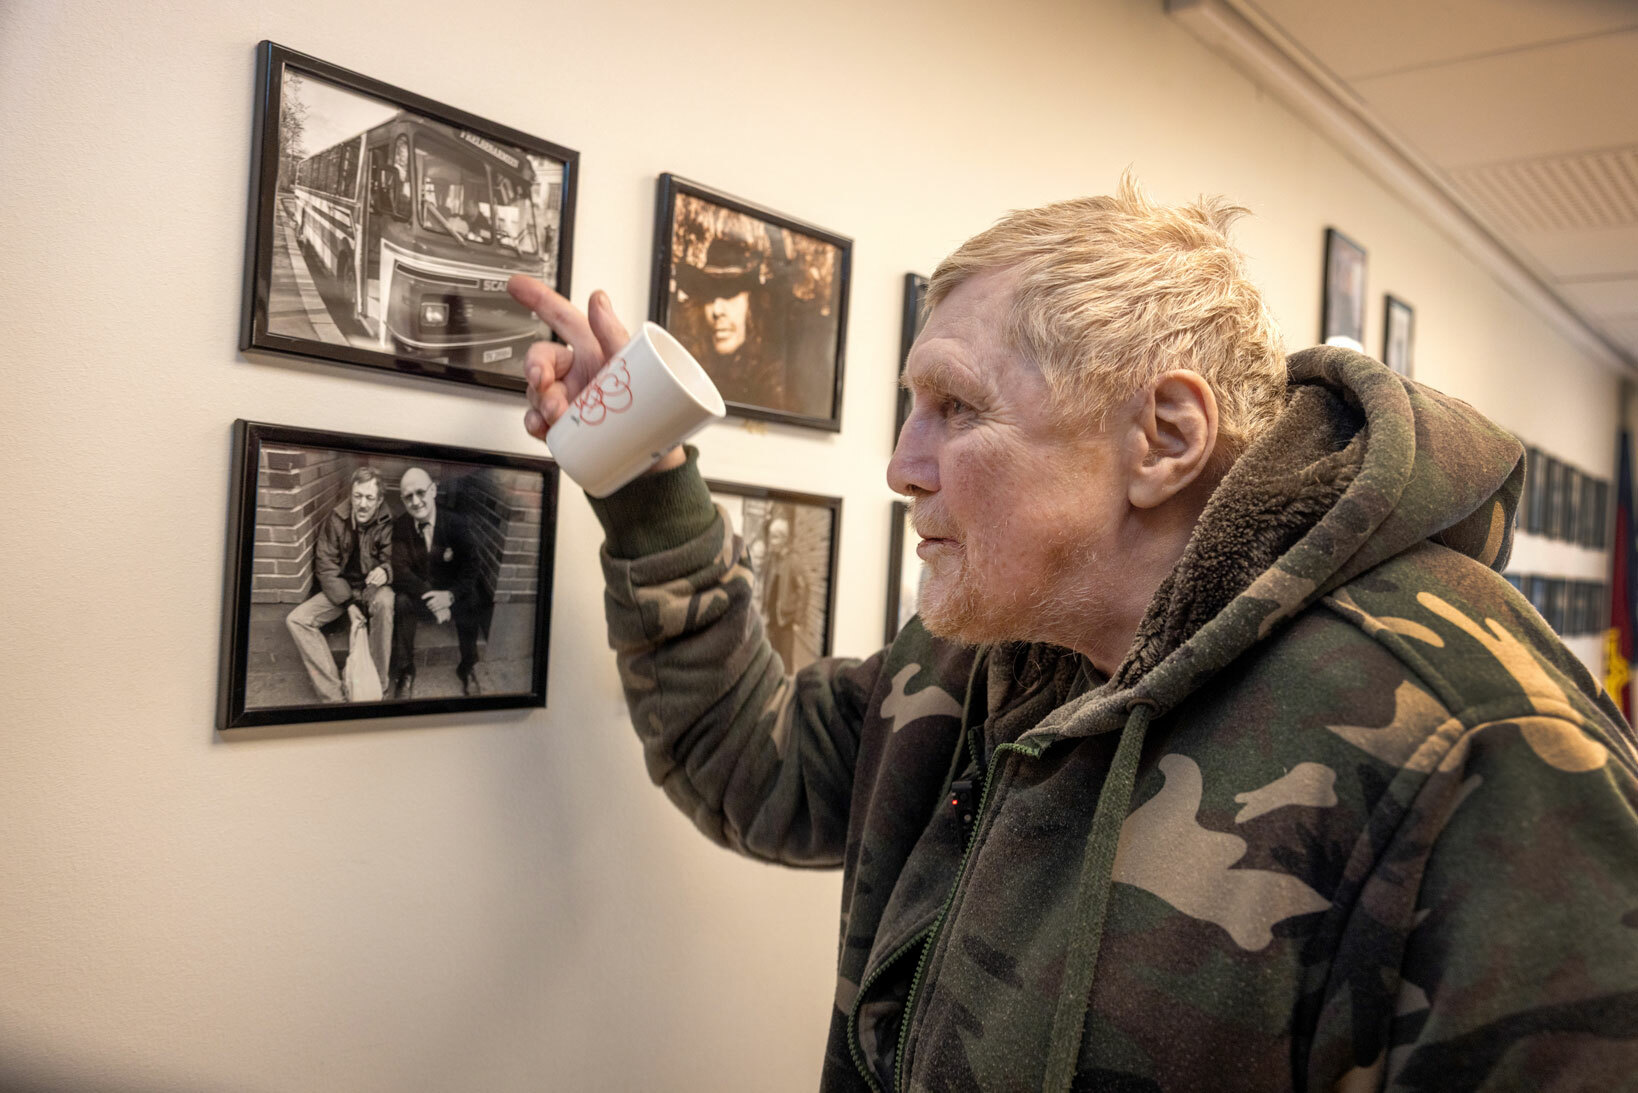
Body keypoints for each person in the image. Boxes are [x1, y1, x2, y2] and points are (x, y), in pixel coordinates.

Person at [507, 177, 1638, 1090]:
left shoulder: (1476, 740)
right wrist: (646, 482)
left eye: (956, 408)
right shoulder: (987, 647)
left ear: (1164, 436)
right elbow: (760, 769)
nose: (903, 466)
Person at [284, 467, 395, 702]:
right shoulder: (335, 519)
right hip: (341, 591)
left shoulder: (389, 522)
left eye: (369, 498)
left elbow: (397, 559)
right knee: (297, 620)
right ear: (351, 494)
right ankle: (334, 696)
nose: (362, 504)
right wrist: (349, 605)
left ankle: (377, 689)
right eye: (358, 496)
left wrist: (386, 570)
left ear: (380, 499)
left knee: (386, 601)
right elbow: (325, 566)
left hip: (372, 589)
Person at [388, 467, 487, 698]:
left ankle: (468, 666)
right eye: (408, 496)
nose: (415, 501)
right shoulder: (401, 526)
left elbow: (472, 565)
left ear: (433, 491)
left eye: (420, 492)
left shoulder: (455, 522)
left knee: (472, 598)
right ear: (402, 499)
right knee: (401, 601)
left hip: (450, 593)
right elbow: (400, 570)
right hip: (421, 596)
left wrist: (449, 597)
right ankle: (406, 670)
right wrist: (434, 599)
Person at [674, 236, 790, 412]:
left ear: (751, 304)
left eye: (729, 295)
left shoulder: (773, 376)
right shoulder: (687, 369)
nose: (717, 310)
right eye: (709, 297)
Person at [759, 511, 809, 670]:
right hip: (772, 618)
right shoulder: (771, 560)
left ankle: (787, 691)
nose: (771, 541)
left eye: (774, 537)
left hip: (786, 620)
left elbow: (804, 589)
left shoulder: (793, 561)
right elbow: (767, 584)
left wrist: (798, 619)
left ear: (783, 539)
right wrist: (764, 609)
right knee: (771, 657)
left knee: (785, 660)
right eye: (771, 537)